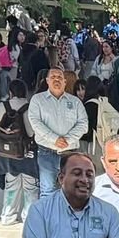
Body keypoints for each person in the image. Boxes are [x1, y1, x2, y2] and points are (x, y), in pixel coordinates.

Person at [26, 67, 89, 203]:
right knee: (47, 190)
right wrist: (54, 139)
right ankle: (48, 216)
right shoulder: (37, 100)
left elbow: (83, 124)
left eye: (59, 77)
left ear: (65, 82)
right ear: (47, 81)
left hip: (70, 153)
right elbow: (35, 123)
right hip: (47, 152)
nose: (56, 80)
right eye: (53, 77)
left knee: (72, 190)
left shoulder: (75, 102)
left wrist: (68, 139)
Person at [0, 79, 38, 226]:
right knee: (30, 186)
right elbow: (32, 131)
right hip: (27, 152)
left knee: (11, 184)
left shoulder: (2, 106)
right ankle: (28, 218)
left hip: (7, 153)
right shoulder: (31, 108)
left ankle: (8, 216)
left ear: (10, 92)